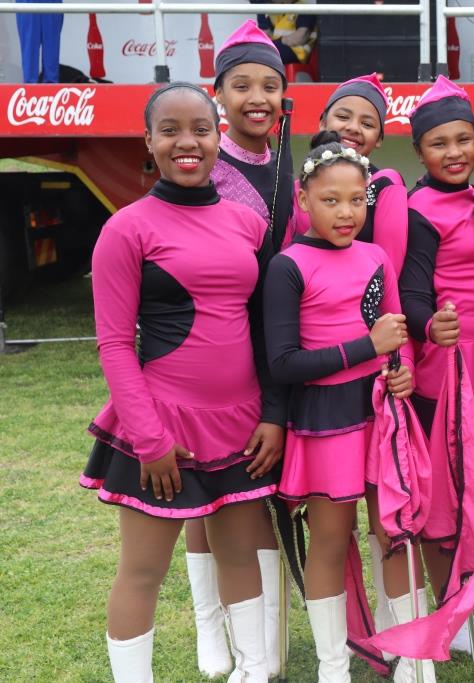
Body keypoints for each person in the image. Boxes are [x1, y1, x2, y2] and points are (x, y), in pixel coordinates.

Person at [81, 82, 286, 683]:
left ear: (219, 137)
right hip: (161, 427)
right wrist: (149, 439)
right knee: (143, 570)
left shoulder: (249, 224)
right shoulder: (126, 228)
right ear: (149, 141)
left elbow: (264, 331)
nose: (187, 142)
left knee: (239, 555)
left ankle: (253, 672)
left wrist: (271, 415)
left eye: (200, 128)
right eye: (170, 130)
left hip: (241, 426)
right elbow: (116, 344)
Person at [263, 136, 434, 682]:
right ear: (304, 201)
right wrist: (370, 348)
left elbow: (394, 331)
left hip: (380, 413)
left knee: (395, 533)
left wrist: (400, 366)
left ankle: (411, 658)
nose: (346, 212)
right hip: (325, 420)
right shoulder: (288, 266)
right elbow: (285, 363)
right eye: (331, 200)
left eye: (357, 200)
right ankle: (332, 667)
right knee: (331, 541)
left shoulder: (376, 256)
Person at [182, 21, 292, 678]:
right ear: (217, 93)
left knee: (254, 490)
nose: (257, 96)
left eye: (270, 84)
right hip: (211, 351)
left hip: (271, 349)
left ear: (285, 95)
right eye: (242, 84)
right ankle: (209, 625)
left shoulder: (285, 166)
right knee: (206, 489)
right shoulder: (203, 166)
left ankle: (260, 632)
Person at [399, 75, 474, 657]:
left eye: (464, 140)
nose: (454, 153)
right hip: (440, 373)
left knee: (472, 486)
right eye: (439, 143)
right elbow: (412, 289)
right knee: (442, 496)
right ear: (419, 150)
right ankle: (450, 617)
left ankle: (465, 611)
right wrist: (428, 326)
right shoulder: (418, 209)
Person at [288, 73, 408, 271]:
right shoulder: (298, 188)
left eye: (367, 124)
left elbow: (389, 271)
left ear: (379, 139)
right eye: (343, 117)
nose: (353, 127)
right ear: (323, 123)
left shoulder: (385, 183)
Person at [253, 0, 317, 65]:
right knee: (253, 52)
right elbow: (265, 36)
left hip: (297, 52)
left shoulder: (304, 9)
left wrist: (280, 41)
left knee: (261, 56)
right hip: (280, 47)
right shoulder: (278, 10)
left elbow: (300, 38)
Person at [16, 0, 62, 83]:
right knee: (29, 50)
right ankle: (30, 91)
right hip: (27, 3)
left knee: (51, 50)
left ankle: (51, 91)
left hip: (51, 3)